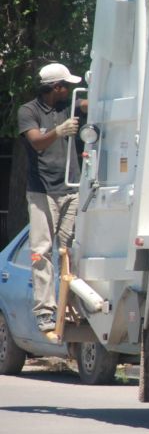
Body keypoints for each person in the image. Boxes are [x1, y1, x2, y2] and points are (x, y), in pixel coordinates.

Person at [17, 63, 84, 333]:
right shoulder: (28, 111)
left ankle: (74, 307)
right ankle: (45, 311)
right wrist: (59, 130)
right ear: (55, 88)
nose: (68, 89)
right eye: (65, 85)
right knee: (41, 253)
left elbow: (93, 102)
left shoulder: (70, 106)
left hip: (72, 189)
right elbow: (36, 142)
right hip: (42, 192)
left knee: (71, 251)